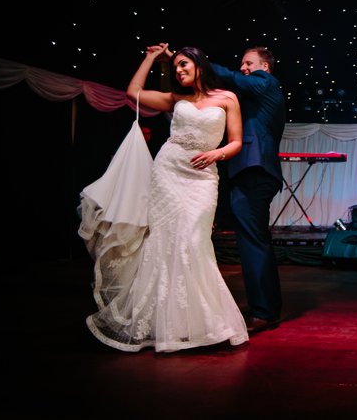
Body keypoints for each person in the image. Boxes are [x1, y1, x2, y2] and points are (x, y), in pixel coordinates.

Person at [80, 43, 248, 351]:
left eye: (185, 66)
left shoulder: (227, 99)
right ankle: (167, 323)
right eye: (176, 68)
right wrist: (150, 58)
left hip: (202, 177)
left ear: (199, 66)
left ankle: (202, 321)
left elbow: (236, 141)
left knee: (194, 240)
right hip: (168, 172)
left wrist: (217, 153)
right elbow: (133, 93)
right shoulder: (174, 99)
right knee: (165, 242)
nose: (179, 72)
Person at [208, 46, 286, 334]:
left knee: (254, 241)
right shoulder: (251, 95)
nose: (242, 67)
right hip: (247, 171)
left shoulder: (266, 83)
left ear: (264, 67)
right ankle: (262, 307)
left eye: (248, 63)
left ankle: (264, 311)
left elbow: (233, 79)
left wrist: (201, 62)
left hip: (256, 171)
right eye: (240, 62)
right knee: (252, 241)